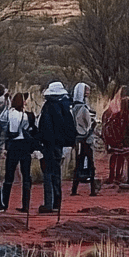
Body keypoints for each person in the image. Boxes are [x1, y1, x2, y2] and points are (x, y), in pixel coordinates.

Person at [38, 80, 76, 214]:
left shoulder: (48, 106)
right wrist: (69, 143)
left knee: (48, 173)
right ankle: (57, 203)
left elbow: (44, 127)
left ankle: (48, 203)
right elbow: (70, 127)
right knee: (57, 173)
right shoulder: (66, 106)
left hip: (49, 145)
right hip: (60, 145)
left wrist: (41, 143)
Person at [0, 91, 36, 213]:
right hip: (24, 145)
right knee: (26, 176)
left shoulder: (9, 113)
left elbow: (1, 121)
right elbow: (30, 129)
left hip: (13, 145)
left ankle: (4, 204)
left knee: (9, 176)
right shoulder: (27, 115)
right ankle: (25, 205)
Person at [70, 82, 100, 197]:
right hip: (86, 138)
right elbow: (87, 122)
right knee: (90, 163)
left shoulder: (74, 107)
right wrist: (93, 124)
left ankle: (74, 189)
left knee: (78, 163)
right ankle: (92, 189)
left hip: (78, 139)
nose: (88, 93)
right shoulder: (82, 108)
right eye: (86, 91)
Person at [101, 89, 129, 186]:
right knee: (123, 156)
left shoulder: (110, 110)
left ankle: (113, 177)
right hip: (122, 139)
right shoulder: (126, 111)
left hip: (113, 139)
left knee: (115, 155)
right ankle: (119, 177)